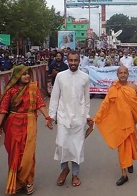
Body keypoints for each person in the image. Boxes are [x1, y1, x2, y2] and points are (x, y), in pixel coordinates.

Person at [90, 66, 137, 186]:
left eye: (125, 73)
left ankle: (129, 162)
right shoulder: (113, 88)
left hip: (130, 122)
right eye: (120, 73)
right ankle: (124, 174)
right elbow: (105, 105)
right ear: (117, 74)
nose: (123, 75)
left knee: (132, 144)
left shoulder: (133, 87)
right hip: (119, 123)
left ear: (128, 74)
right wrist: (96, 118)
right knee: (122, 146)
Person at [0, 65, 53, 195]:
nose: (26, 76)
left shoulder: (33, 88)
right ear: (17, 76)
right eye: (23, 74)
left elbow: (40, 103)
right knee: (15, 152)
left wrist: (47, 117)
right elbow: (3, 109)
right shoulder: (11, 91)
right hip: (13, 124)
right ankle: (18, 182)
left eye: (28, 74)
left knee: (28, 153)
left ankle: (29, 181)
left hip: (30, 122)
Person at [48, 52, 91, 187]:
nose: (73, 63)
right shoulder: (60, 76)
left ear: (79, 61)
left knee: (77, 147)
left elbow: (87, 100)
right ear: (68, 61)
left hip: (79, 119)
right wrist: (51, 116)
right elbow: (54, 97)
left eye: (75, 60)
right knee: (62, 145)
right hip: (63, 117)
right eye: (71, 60)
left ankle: (75, 174)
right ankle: (64, 169)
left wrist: (87, 117)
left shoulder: (85, 78)